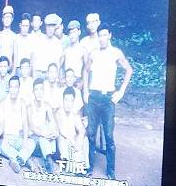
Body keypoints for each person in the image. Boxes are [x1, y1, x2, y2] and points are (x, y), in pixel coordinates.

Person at [84, 25, 134, 178]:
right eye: (100, 35)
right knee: (91, 134)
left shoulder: (116, 53)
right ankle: (89, 167)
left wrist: (121, 91)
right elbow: (85, 71)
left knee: (109, 136)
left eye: (105, 35)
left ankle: (111, 171)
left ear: (110, 35)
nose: (102, 38)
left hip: (108, 99)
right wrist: (85, 90)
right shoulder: (93, 53)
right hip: (94, 97)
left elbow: (129, 70)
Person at [0, 76, 34, 173]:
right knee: (2, 146)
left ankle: (14, 160)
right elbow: (1, 124)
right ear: (8, 88)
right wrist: (4, 137)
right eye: (11, 87)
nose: (13, 90)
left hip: (18, 138)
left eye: (16, 87)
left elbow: (25, 123)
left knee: (31, 143)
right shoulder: (3, 103)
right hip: (7, 139)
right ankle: (24, 159)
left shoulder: (22, 103)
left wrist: (25, 141)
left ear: (19, 88)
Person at [27, 78, 59, 173]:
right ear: (33, 92)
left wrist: (54, 133)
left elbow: (53, 123)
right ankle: (49, 161)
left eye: (41, 89)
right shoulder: (29, 107)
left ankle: (46, 159)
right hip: (34, 141)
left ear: (44, 91)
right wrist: (44, 134)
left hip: (45, 141)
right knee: (42, 137)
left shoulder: (47, 106)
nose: (39, 92)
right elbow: (32, 127)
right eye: (36, 89)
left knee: (49, 132)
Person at [56, 86, 89, 174]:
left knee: (85, 139)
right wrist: (74, 142)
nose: (68, 104)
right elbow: (62, 131)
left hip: (73, 141)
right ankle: (72, 163)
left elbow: (82, 130)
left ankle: (83, 165)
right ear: (63, 100)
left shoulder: (75, 114)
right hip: (64, 140)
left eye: (71, 101)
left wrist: (79, 140)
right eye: (66, 100)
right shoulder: (58, 113)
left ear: (74, 102)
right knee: (62, 139)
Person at [0, 5, 17, 72]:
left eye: (9, 17)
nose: (7, 19)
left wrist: (13, 71)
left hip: (9, 70)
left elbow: (15, 56)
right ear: (2, 19)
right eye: (5, 17)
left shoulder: (14, 36)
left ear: (12, 19)